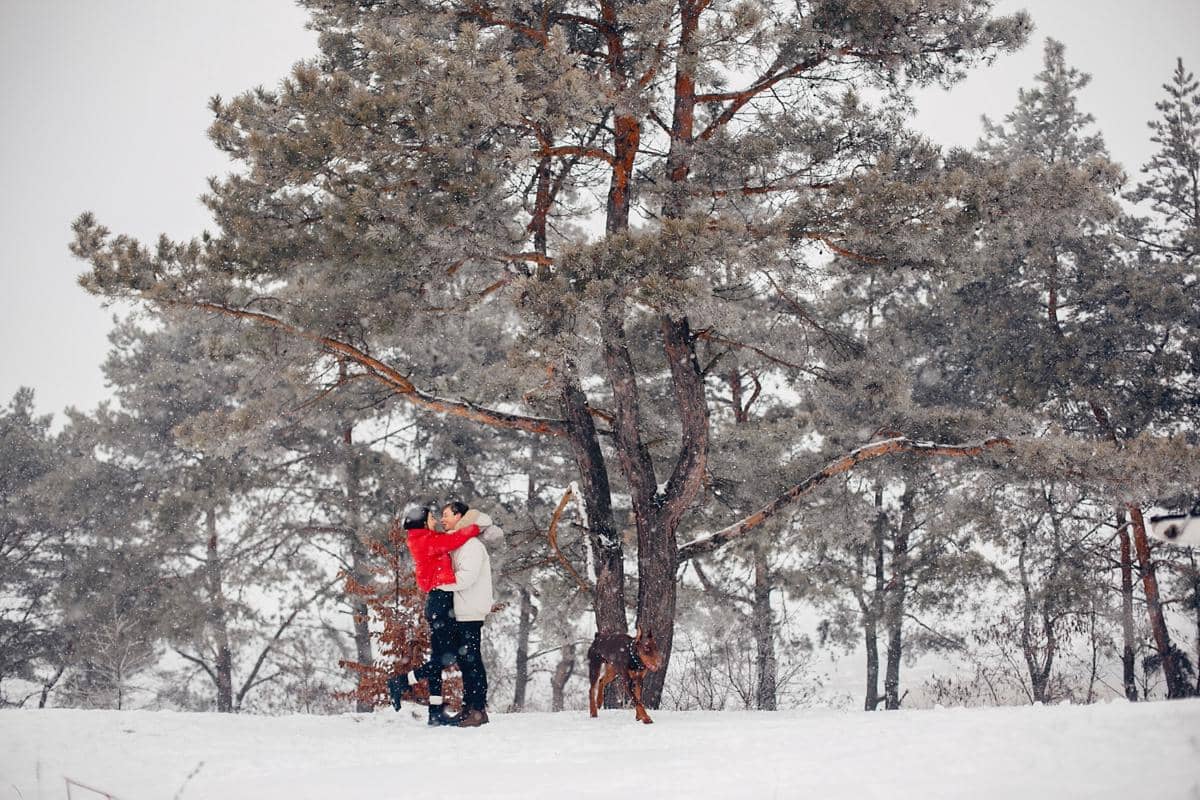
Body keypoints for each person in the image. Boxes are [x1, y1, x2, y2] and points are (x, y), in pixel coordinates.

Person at [386, 503, 481, 726]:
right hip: (440, 603)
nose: (435, 521)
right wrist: (476, 527)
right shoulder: (424, 540)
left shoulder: (426, 537)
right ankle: (401, 681)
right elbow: (453, 540)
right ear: (421, 521)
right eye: (430, 518)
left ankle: (435, 712)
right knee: (449, 657)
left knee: (438, 657)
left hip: (440, 602)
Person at [437, 500, 499, 728]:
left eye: (446, 515)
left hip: (470, 610)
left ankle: (478, 710)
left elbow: (465, 578)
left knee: (472, 661)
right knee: (466, 661)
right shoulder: (460, 542)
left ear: (459, 516)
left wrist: (437, 584)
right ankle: (469, 707)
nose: (442, 519)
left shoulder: (471, 545)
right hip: (463, 610)